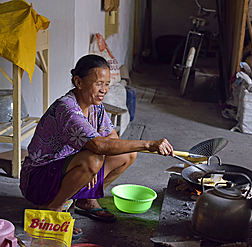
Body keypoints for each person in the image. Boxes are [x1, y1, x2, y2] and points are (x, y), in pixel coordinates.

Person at [19, 54, 174, 236]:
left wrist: (139, 148)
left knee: (127, 155)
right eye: (99, 83)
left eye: (107, 84)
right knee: (92, 159)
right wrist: (148, 144)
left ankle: (86, 200)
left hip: (65, 170)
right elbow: (99, 146)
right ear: (78, 82)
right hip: (38, 180)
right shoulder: (67, 108)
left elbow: (113, 141)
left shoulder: (95, 106)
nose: (104, 90)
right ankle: (53, 209)